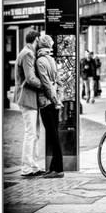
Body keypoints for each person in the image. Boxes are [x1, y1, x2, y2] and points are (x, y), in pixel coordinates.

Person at [14, 29, 45, 177]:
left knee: (35, 133)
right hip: (27, 98)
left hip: (29, 98)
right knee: (31, 133)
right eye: (39, 40)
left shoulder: (26, 52)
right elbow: (30, 78)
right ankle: (27, 168)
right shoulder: (27, 54)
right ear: (36, 39)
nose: (39, 43)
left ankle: (33, 166)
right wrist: (45, 85)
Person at [36, 34, 64, 178]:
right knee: (54, 135)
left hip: (47, 103)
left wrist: (54, 99)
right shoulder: (51, 59)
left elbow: (46, 84)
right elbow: (59, 82)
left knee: (53, 137)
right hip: (54, 103)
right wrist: (58, 98)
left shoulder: (40, 61)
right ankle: (54, 167)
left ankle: (58, 169)